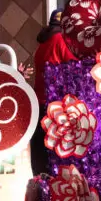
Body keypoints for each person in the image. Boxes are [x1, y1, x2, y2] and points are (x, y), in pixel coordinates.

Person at [31, 9, 77, 175]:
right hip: (55, 105)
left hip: (41, 102)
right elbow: (74, 63)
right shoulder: (59, 40)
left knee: (42, 154)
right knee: (56, 153)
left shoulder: (43, 43)